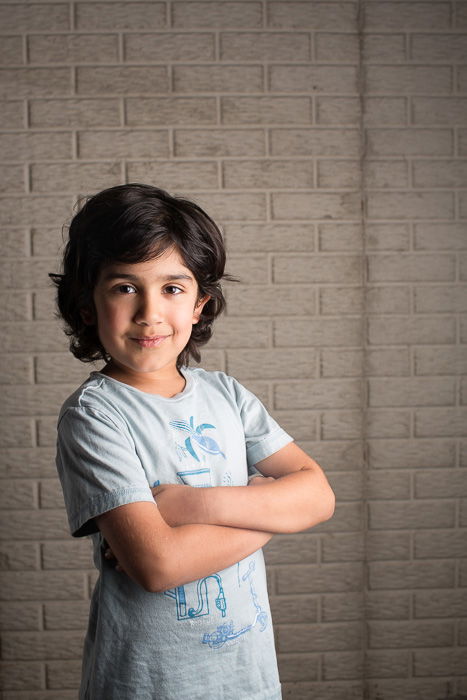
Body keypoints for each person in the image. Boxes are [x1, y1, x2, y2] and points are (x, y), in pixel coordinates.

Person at [52, 183, 335, 700]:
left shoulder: (226, 394)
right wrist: (271, 513)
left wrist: (187, 506)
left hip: (247, 676)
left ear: (200, 304)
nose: (149, 313)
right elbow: (160, 566)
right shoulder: (94, 415)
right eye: (124, 287)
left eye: (172, 289)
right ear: (87, 305)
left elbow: (319, 496)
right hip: (148, 682)